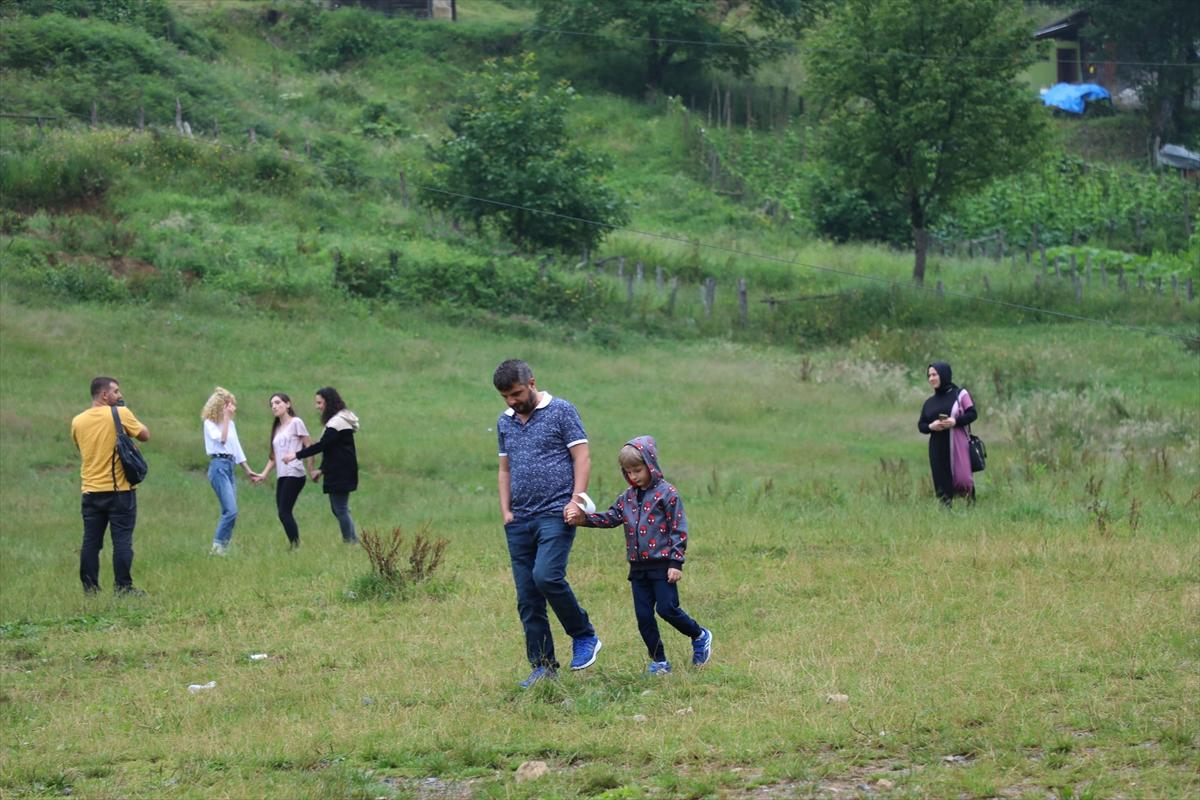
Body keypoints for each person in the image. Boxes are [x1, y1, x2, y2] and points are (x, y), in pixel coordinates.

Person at [493, 359, 600, 688]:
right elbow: (505, 469)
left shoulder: (562, 411)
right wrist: (506, 511)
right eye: (505, 396)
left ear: (532, 382)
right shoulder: (505, 422)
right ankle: (542, 667)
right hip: (519, 520)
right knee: (528, 597)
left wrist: (576, 500)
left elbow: (581, 457)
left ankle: (584, 635)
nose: (512, 401)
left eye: (516, 393)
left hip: (556, 512)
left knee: (547, 576)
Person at [566, 436, 712, 675]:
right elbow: (611, 518)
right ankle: (660, 662)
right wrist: (583, 520)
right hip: (638, 568)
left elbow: (678, 529)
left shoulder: (668, 494)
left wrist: (676, 562)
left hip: (663, 565)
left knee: (667, 610)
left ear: (650, 464)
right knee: (644, 617)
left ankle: (699, 635)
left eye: (637, 469)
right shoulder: (627, 497)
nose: (633, 476)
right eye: (628, 471)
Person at [71, 377, 150, 595]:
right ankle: (123, 588)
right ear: (104, 395)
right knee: (122, 542)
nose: (119, 395)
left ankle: (90, 589)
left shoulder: (78, 421)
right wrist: (125, 414)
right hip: (120, 492)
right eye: (116, 391)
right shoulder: (120, 414)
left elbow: (82, 449)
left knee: (91, 543)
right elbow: (145, 435)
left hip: (90, 492)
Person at [282, 387, 360, 544]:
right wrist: (322, 470)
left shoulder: (337, 422)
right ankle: (353, 541)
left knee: (340, 509)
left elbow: (322, 446)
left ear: (328, 402)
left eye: (319, 403)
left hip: (341, 472)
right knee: (339, 508)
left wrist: (295, 455)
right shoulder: (340, 421)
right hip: (340, 470)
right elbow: (334, 450)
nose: (317, 406)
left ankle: (350, 543)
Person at [252, 393, 316, 550]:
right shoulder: (277, 429)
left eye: (277, 402)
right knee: (282, 513)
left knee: (284, 512)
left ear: (288, 404)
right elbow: (274, 457)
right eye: (271, 404)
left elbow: (309, 446)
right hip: (282, 475)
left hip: (295, 473)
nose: (274, 406)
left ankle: (296, 547)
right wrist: (264, 474)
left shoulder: (296, 422)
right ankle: (295, 545)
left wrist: (311, 469)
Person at [202, 387, 259, 555]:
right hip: (218, 465)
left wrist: (248, 470)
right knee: (230, 510)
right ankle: (217, 548)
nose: (234, 408)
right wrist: (226, 418)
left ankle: (223, 548)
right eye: (231, 404)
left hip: (230, 465)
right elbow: (222, 439)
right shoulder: (209, 423)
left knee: (231, 511)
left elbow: (236, 449)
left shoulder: (231, 424)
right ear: (223, 406)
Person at [918, 362, 978, 506]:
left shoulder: (961, 394)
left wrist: (954, 421)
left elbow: (973, 414)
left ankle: (971, 505)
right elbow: (921, 425)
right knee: (941, 481)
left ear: (944, 374)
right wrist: (932, 426)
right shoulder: (929, 403)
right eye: (929, 375)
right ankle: (946, 512)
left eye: (934, 374)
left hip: (958, 443)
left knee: (963, 479)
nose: (931, 378)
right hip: (937, 446)